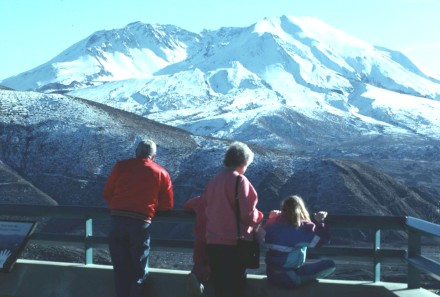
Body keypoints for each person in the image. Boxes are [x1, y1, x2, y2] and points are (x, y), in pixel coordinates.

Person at [103, 139, 174, 297]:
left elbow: (107, 193)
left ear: (136, 152)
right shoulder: (161, 173)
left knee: (120, 269)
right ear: (153, 156)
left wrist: (118, 207)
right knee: (139, 270)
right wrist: (151, 208)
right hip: (141, 223)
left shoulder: (121, 167)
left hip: (117, 222)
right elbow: (167, 205)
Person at [204, 141, 264, 297]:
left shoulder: (214, 181)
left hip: (213, 242)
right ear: (244, 161)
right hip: (234, 245)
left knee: (221, 288)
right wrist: (260, 216)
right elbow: (248, 215)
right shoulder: (240, 181)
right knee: (235, 288)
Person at [264, 195, 335, 288]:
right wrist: (320, 221)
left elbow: (259, 234)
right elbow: (324, 240)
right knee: (330, 265)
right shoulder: (300, 230)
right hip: (289, 277)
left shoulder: (271, 226)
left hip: (271, 274)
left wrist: (271, 218)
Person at [183, 195, 210, 297]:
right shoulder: (223, 200)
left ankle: (196, 279)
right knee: (212, 263)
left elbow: (186, 205)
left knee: (199, 263)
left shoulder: (200, 200)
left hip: (200, 239)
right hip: (217, 239)